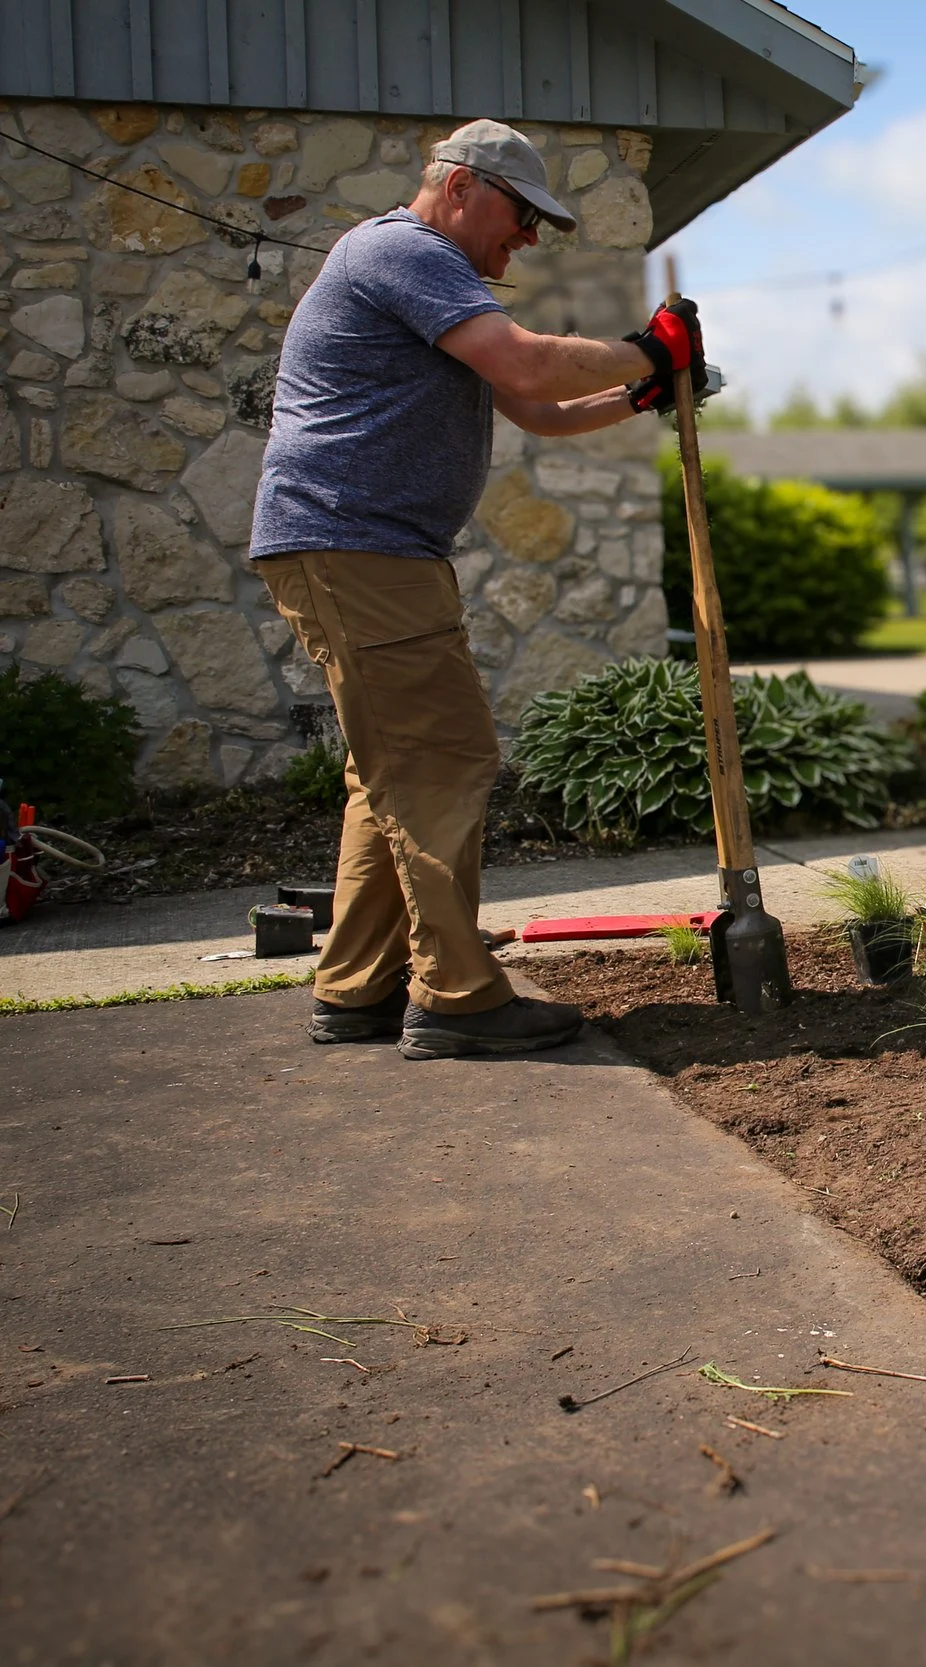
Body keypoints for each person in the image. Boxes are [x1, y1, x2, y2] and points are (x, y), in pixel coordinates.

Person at [250, 119, 706, 1059]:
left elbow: (535, 408)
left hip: (365, 551)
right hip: (357, 547)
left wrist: (641, 392)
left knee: (389, 779)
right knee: (445, 761)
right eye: (522, 213)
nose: (529, 237)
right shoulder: (400, 251)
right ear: (460, 187)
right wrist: (647, 350)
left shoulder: (437, 277)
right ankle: (457, 997)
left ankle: (356, 988)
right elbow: (531, 361)